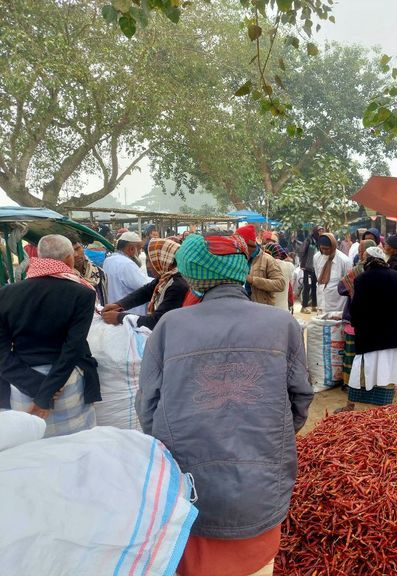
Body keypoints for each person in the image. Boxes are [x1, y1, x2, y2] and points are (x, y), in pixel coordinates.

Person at [136, 233, 314, 576]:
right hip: (261, 486)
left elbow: (148, 406)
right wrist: (271, 434)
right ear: (239, 269)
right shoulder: (282, 324)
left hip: (190, 489)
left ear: (193, 276)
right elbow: (300, 399)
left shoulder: (169, 326)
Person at [0, 235, 100, 436]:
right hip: (65, 384)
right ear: (69, 259)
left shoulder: (6, 293)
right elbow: (73, 348)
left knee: (33, 452)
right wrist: (45, 393)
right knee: (75, 449)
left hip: (22, 383)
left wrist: (36, 387)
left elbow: (1, 352)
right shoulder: (83, 293)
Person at [336, 247, 397, 412]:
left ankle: (352, 405)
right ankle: (385, 405)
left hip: (369, 335)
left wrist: (357, 326)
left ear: (368, 260)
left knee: (361, 370)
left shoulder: (362, 279)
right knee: (388, 370)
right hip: (392, 334)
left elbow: (356, 308)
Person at [101, 238, 188, 330]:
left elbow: (156, 321)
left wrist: (119, 317)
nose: (148, 266)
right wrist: (119, 305)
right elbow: (145, 292)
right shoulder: (167, 277)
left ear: (163, 260)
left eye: (151, 261)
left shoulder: (177, 285)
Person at [338, 240, 376, 389]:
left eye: (361, 251)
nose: (360, 254)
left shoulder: (356, 270)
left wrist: (353, 292)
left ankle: (349, 383)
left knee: (351, 353)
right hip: (373, 320)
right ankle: (366, 382)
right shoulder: (383, 270)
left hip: (354, 318)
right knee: (368, 353)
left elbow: (341, 288)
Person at [103, 230, 152, 314]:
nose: (140, 253)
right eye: (139, 249)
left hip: (114, 309)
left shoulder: (108, 260)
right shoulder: (126, 263)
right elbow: (145, 286)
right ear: (131, 249)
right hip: (129, 313)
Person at [68, 232, 109, 307]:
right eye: (70, 251)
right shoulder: (65, 277)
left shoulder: (98, 272)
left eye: (77, 249)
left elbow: (105, 299)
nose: (75, 255)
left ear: (83, 247)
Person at [314, 233, 351, 314]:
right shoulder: (317, 257)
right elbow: (318, 275)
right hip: (321, 302)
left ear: (333, 246)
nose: (324, 251)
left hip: (337, 306)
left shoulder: (344, 260)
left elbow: (347, 284)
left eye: (327, 249)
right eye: (322, 248)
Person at [246, 237, 286, 307]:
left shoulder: (268, 260)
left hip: (262, 309)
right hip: (243, 307)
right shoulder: (239, 258)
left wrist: (253, 280)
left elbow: (280, 284)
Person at [264, 242, 295, 312]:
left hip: (270, 310)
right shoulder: (289, 266)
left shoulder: (266, 265)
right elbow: (290, 286)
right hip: (284, 310)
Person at [299, 225, 323, 313]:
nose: (321, 232)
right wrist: (302, 262)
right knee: (307, 286)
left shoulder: (320, 241)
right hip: (308, 268)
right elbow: (302, 251)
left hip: (316, 268)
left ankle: (314, 305)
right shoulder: (308, 240)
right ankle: (304, 306)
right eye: (319, 230)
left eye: (322, 230)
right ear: (315, 231)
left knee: (314, 286)